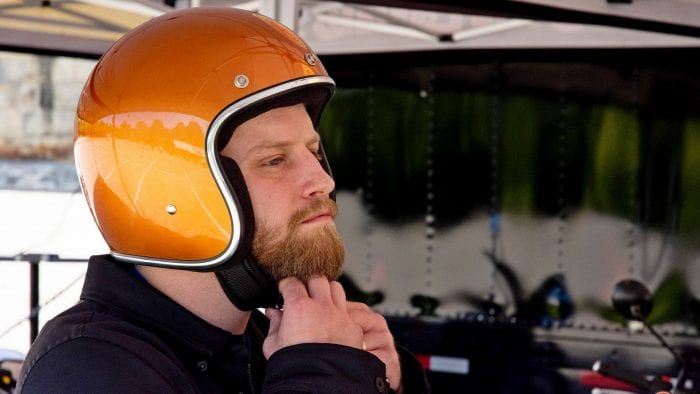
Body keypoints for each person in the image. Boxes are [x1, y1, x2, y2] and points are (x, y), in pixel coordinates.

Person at [16, 6, 429, 394]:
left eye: (314, 151)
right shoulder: (87, 370)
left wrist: (383, 381)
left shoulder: (266, 342)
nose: (321, 179)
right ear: (175, 191)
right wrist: (324, 374)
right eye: (274, 160)